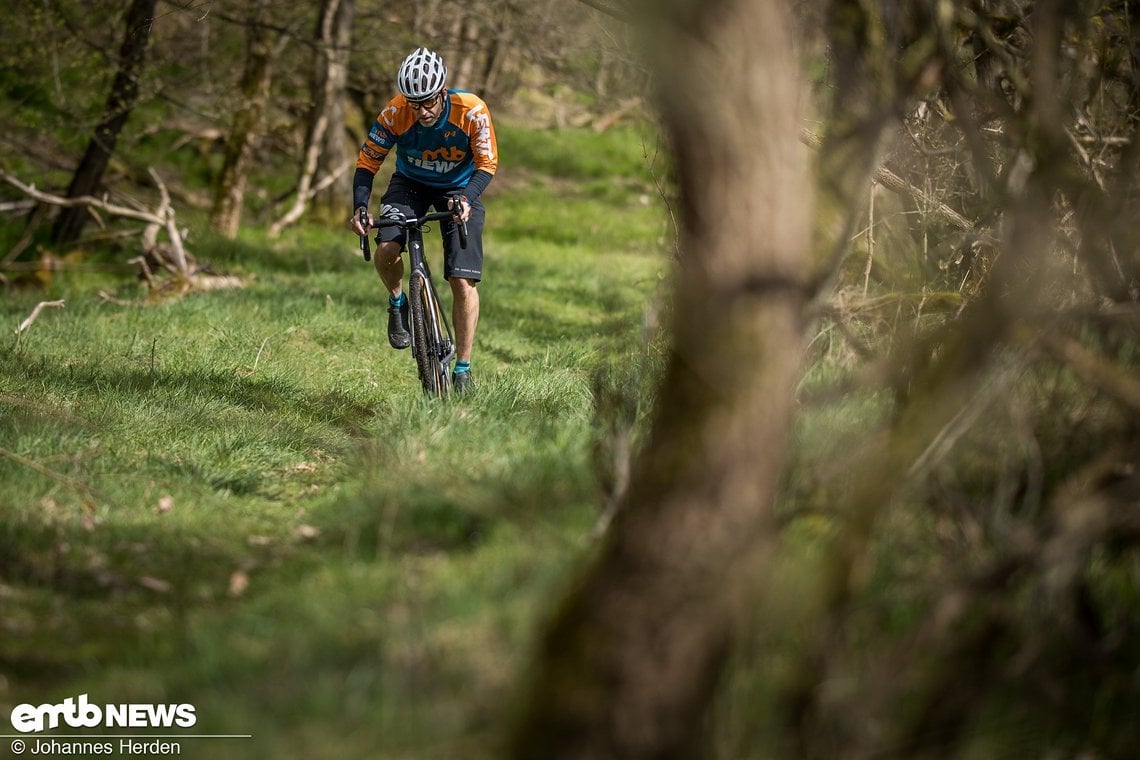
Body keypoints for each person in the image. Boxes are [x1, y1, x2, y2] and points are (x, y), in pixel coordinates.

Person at [348, 47, 498, 393]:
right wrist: (359, 206)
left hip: (460, 189)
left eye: (429, 102)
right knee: (386, 248)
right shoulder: (395, 113)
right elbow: (367, 163)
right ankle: (398, 302)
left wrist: (466, 198)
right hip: (410, 185)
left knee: (462, 282)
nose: (423, 111)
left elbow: (487, 164)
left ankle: (463, 368)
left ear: (443, 92)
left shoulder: (471, 110)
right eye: (415, 104)